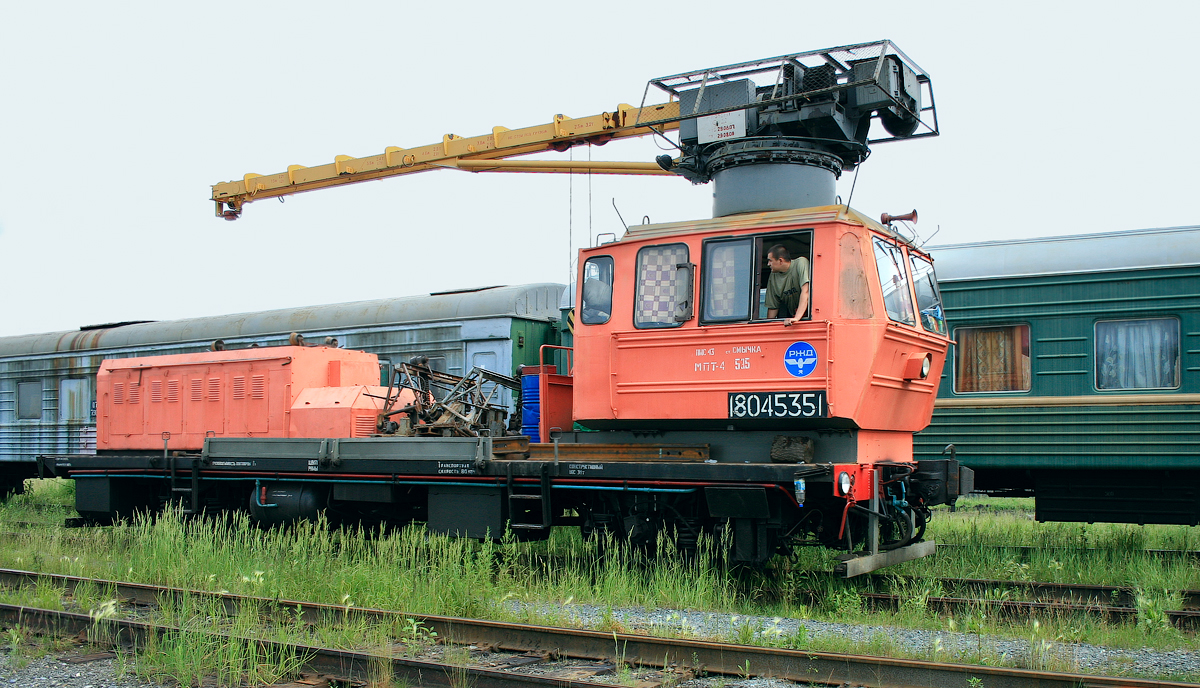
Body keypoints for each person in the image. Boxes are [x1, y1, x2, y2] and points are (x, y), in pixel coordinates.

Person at [765, 244, 810, 325]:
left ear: (780, 261)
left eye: (770, 260)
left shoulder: (801, 262)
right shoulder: (773, 276)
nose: (768, 264)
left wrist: (796, 318)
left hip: (809, 318)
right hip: (793, 319)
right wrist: (767, 328)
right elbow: (773, 307)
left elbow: (806, 291)